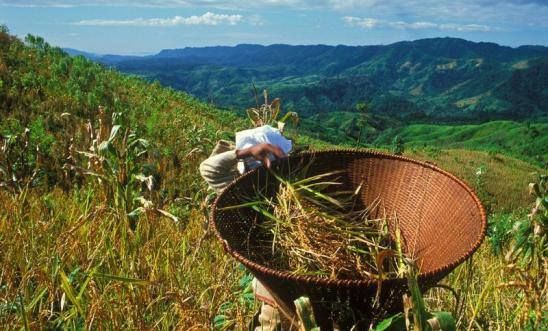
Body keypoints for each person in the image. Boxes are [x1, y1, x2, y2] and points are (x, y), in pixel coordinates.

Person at [199, 125, 291, 331]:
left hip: (294, 289)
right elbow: (208, 169)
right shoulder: (241, 192)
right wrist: (245, 152)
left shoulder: (291, 191)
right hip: (275, 294)